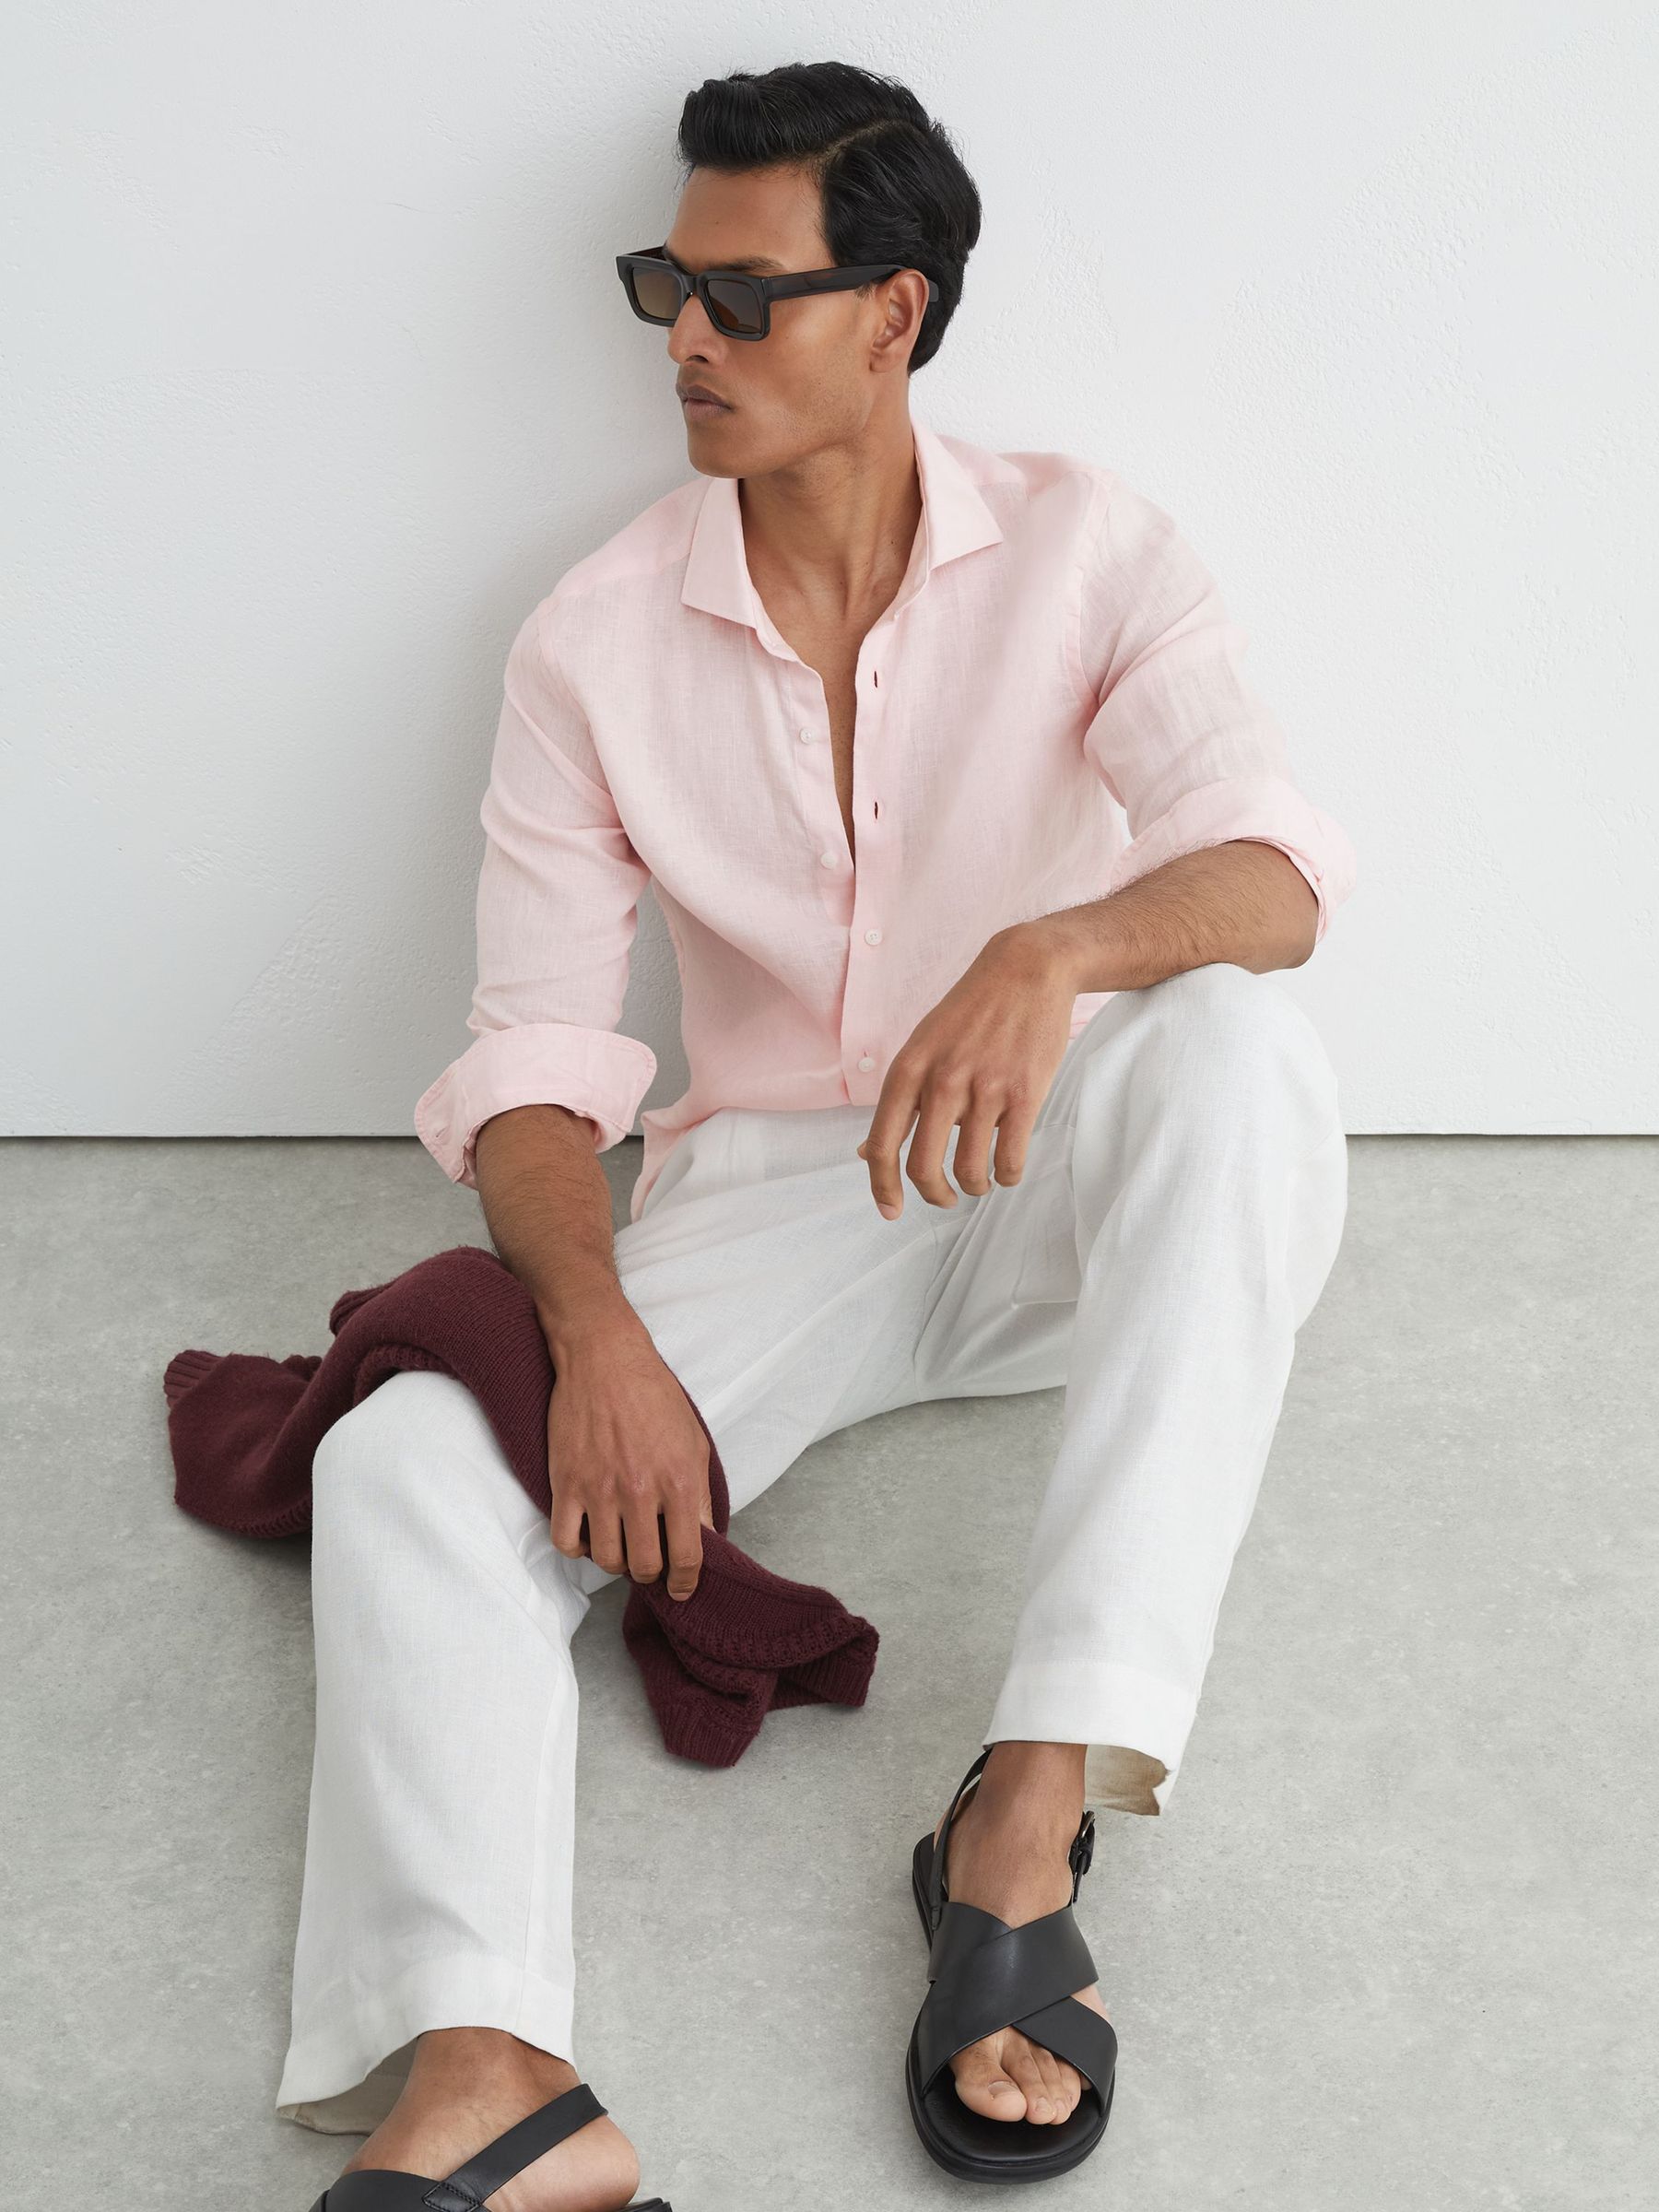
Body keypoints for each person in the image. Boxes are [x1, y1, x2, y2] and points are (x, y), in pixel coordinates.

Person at [276, 59, 1356, 2208]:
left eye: (745, 294)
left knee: (1238, 1052)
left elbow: (1275, 874)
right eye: (667, 283)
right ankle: (496, 2074)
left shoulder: (1093, 547)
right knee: (393, 1461)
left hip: (1057, 1192)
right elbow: (536, 1054)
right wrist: (592, 1333)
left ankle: (1022, 1820)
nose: (687, 335)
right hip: (774, 1202)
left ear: (895, 313)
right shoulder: (591, 645)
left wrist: (1052, 951)